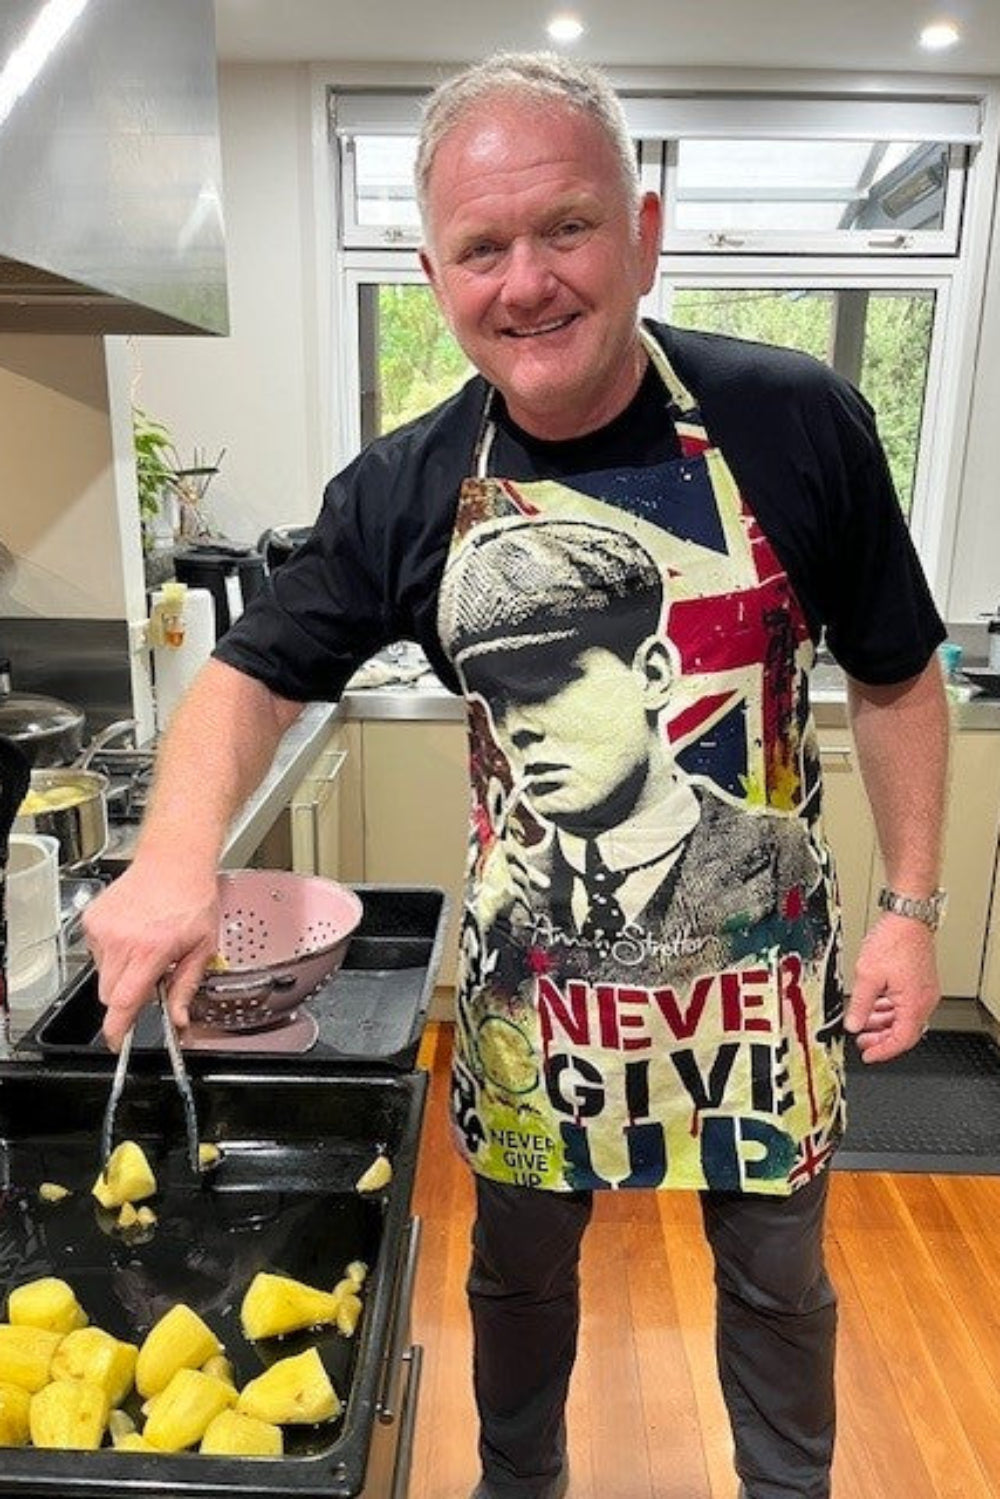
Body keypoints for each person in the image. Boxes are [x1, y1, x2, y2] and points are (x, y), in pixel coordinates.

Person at [84, 50, 950, 1499]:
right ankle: (519, 1486)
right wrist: (173, 856)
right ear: (437, 273)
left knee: (783, 1294)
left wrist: (913, 901)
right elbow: (254, 672)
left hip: (760, 994)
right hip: (531, 1009)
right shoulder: (410, 487)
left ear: (644, 233)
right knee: (518, 1288)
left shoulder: (797, 422)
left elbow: (898, 672)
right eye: (482, 248)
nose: (527, 281)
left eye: (566, 228)